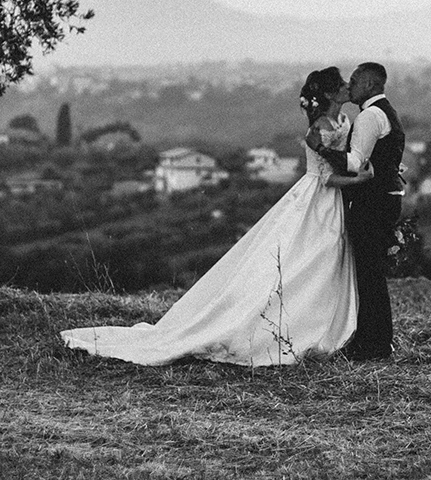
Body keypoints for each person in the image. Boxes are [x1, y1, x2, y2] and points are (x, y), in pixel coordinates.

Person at [59, 68, 369, 366]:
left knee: (318, 262)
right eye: (341, 83)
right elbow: (326, 177)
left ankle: (321, 326)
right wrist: (359, 180)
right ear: (330, 92)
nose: (346, 86)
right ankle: (305, 330)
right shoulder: (322, 129)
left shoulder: (342, 120)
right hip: (320, 198)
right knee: (307, 261)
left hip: (332, 202)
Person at [306, 61, 403, 360]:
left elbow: (354, 162)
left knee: (368, 274)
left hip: (372, 202)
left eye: (356, 80)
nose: (351, 84)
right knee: (369, 273)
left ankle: (374, 343)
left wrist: (321, 149)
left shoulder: (369, 117)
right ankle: (375, 340)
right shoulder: (385, 112)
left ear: (371, 85)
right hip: (382, 198)